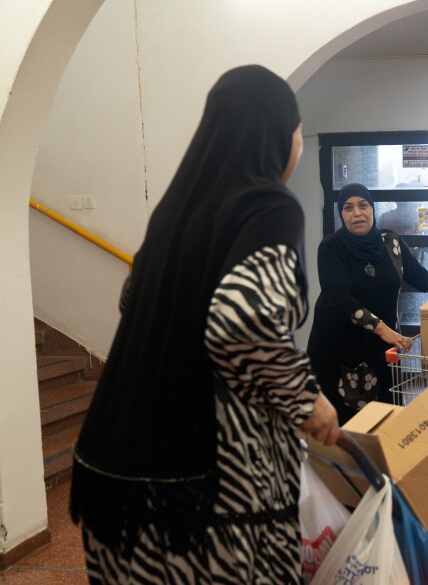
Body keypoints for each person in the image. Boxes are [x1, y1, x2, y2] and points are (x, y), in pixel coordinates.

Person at [69, 65, 339, 583]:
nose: (299, 143)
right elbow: (240, 323)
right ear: (275, 133)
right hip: (210, 497)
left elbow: (135, 301)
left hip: (115, 476)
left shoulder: (173, 214)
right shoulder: (268, 206)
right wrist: (306, 400)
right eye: (297, 130)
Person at [308, 183, 428, 424]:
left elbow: (419, 275)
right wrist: (383, 329)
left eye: (362, 205)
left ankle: (384, 460)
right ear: (341, 214)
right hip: (340, 345)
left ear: (372, 209)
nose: (357, 212)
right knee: (348, 421)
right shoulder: (331, 248)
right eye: (348, 207)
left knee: (387, 412)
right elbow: (340, 300)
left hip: (381, 344)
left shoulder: (390, 242)